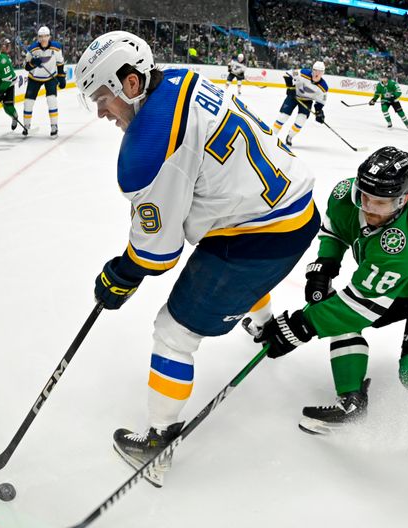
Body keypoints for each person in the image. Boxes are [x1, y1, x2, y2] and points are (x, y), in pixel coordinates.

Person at [76, 30, 319, 487]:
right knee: (233, 264)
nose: (101, 113)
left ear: (131, 84)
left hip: (260, 234)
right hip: (295, 207)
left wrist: (120, 275)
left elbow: (157, 253)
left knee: (173, 332)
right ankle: (264, 325)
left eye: (103, 98)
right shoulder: (181, 79)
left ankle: (158, 443)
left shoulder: (147, 148)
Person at [251, 146, 408, 503]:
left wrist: (297, 328)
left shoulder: (403, 241)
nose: (370, 209)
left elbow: (358, 307)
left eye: (382, 203)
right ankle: (352, 401)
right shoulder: (345, 195)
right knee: (332, 310)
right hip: (392, 282)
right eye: (365, 198)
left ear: (404, 199)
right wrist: (324, 267)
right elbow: (336, 229)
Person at [272, 61, 328, 146]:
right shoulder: (303, 73)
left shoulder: (323, 87)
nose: (317, 73)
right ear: (312, 70)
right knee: (283, 116)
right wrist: (290, 87)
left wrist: (319, 112)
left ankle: (290, 136)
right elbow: (287, 74)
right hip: (293, 96)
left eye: (320, 72)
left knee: (301, 120)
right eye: (315, 70)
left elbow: (320, 102)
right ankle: (271, 135)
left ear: (323, 73)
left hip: (306, 101)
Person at [23, 26, 65, 136]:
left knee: (52, 100)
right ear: (38, 38)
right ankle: (26, 126)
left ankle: (54, 125)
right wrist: (33, 63)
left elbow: (60, 62)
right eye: (41, 37)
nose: (43, 39)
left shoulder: (56, 47)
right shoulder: (32, 48)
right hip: (34, 78)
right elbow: (26, 67)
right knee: (28, 102)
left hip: (50, 78)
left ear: (49, 36)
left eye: (45, 36)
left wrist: (61, 77)